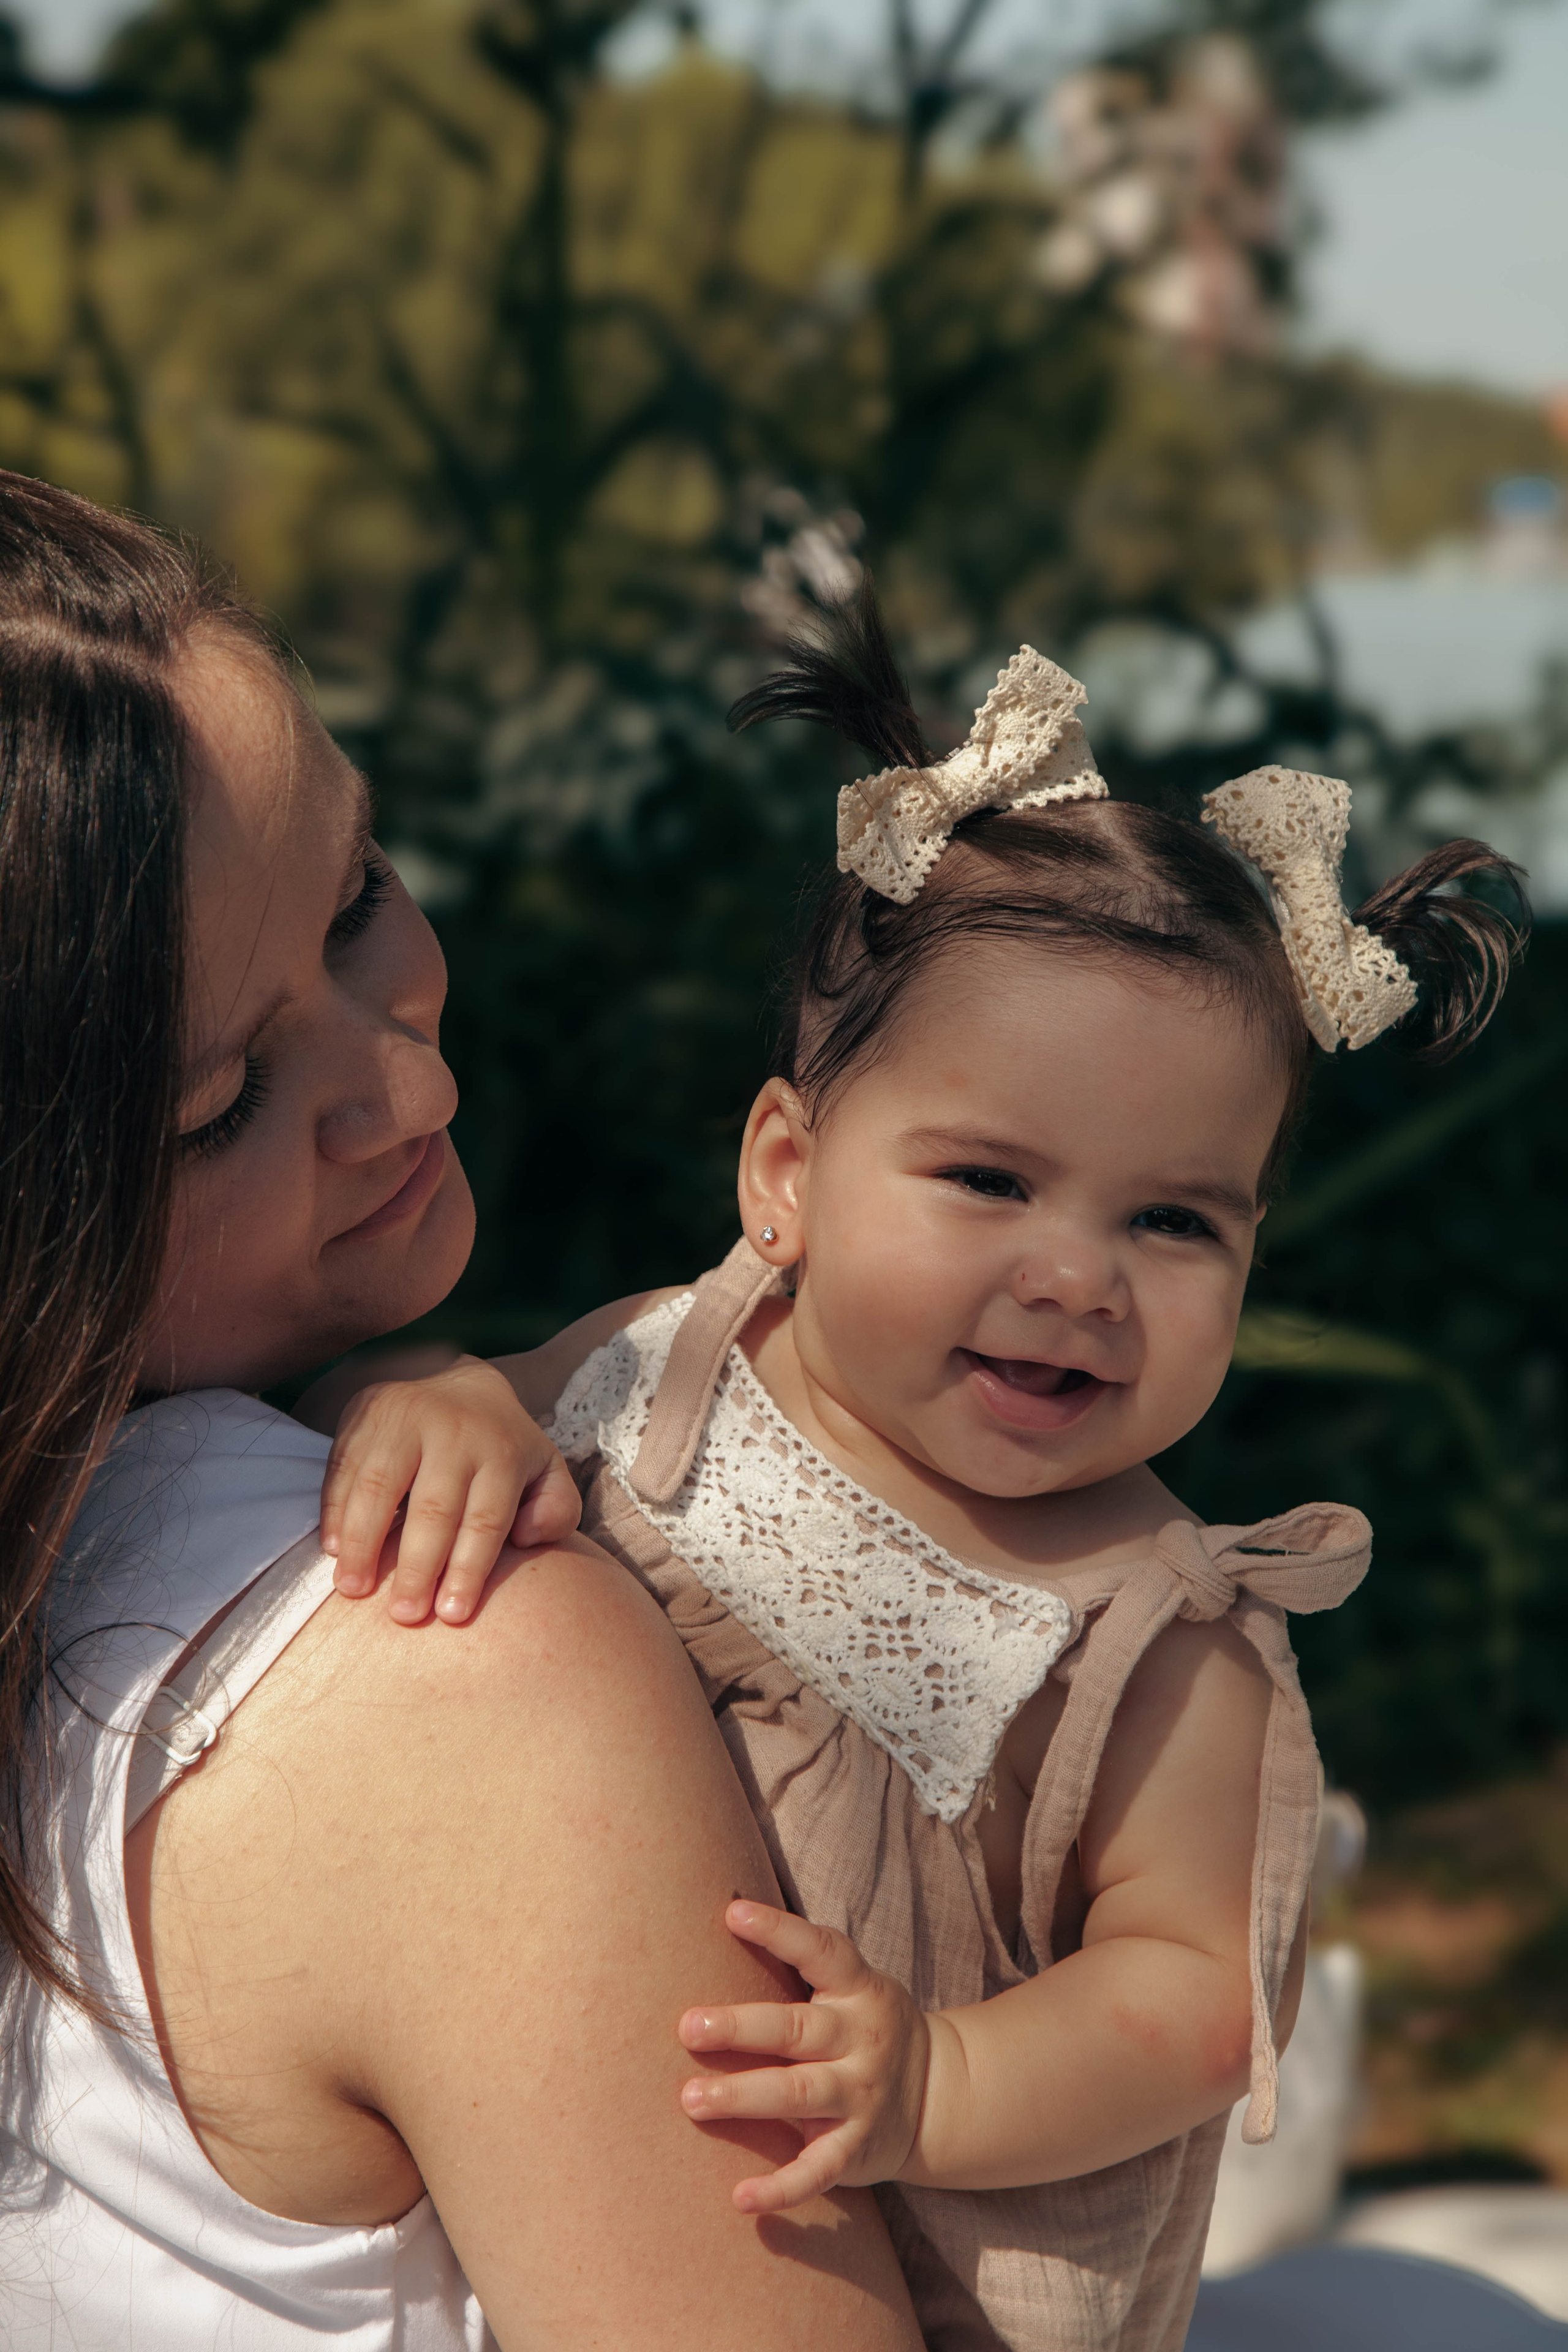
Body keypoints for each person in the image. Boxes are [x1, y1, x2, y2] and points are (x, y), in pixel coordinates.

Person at [313, 588, 1525, 2351]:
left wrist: (938, 2081)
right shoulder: (655, 1368)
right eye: (988, 1182)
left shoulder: (1151, 1632)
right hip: (548, 2184)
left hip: (920, 2280)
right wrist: (426, 1395)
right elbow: (442, 1427)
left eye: (1175, 1221)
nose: (1078, 1278)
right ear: (787, 1176)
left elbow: (1194, 1996)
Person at [0, 473, 926, 2352]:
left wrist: (409, 1381)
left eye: (359, 897)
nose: (409, 1090)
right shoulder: (448, 1654)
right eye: (220, 1106)